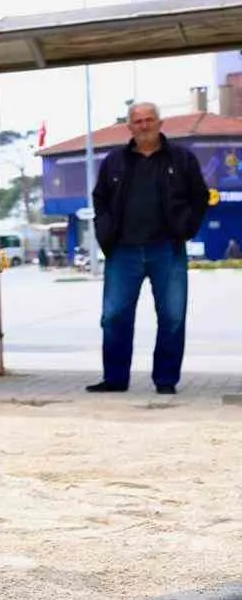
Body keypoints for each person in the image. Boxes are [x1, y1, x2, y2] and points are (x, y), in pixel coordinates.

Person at [85, 102, 210, 396]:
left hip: (166, 250)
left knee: (172, 316)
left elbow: (199, 196)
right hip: (123, 252)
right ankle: (115, 379)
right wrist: (105, 232)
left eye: (149, 119)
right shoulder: (114, 161)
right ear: (129, 127)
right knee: (114, 315)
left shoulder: (182, 159)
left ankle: (165, 380)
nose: (144, 125)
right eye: (138, 121)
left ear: (159, 123)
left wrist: (186, 228)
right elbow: (100, 199)